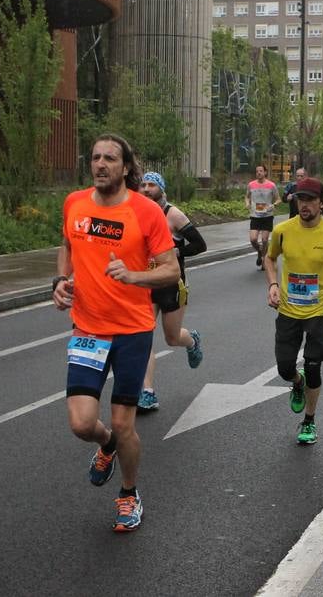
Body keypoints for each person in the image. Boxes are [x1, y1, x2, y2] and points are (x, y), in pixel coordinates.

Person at [54, 135, 180, 531]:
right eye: (95, 157)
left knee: (125, 424)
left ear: (126, 167)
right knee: (81, 424)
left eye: (110, 158)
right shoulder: (75, 203)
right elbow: (66, 246)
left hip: (132, 331)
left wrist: (134, 275)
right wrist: (60, 280)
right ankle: (105, 443)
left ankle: (128, 493)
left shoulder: (146, 211)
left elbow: (171, 269)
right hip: (88, 329)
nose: (100, 164)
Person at [264, 176, 323, 446]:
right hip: (288, 309)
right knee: (284, 368)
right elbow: (269, 258)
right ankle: (296, 382)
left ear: (321, 203)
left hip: (319, 310)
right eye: (301, 199)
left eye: (311, 200)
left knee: (313, 366)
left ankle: (309, 420)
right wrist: (273, 284)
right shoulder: (283, 231)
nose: (305, 205)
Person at [135, 171, 207, 412]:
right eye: (143, 185)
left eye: (151, 185)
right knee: (142, 337)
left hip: (171, 284)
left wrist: (176, 252)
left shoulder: (173, 214)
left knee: (172, 338)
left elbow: (200, 244)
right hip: (147, 282)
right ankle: (147, 392)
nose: (146, 189)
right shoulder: (137, 213)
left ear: (161, 189)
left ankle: (191, 340)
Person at [246, 164, 279, 269]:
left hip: (267, 216)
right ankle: (260, 251)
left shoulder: (271, 185)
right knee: (253, 239)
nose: (258, 173)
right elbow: (247, 197)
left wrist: (273, 205)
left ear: (265, 172)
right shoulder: (251, 185)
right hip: (255, 215)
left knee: (265, 240)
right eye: (257, 171)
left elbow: (278, 199)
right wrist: (247, 203)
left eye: (260, 171)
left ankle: (264, 258)